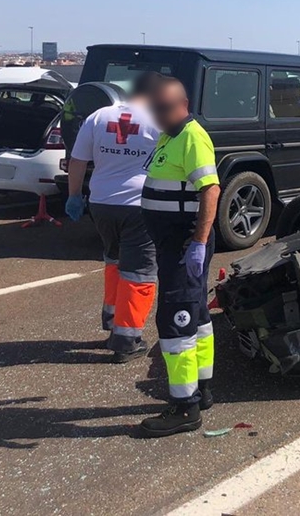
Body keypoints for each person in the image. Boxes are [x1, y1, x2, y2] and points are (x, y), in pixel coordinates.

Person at [138, 77, 220, 437]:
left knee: (176, 323)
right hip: (174, 244)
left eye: (167, 108)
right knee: (198, 316)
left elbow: (211, 189)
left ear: (183, 103)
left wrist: (198, 243)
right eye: (155, 109)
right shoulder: (169, 134)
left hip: (185, 246)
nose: (160, 115)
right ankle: (202, 390)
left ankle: (184, 407)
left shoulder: (191, 135)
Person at [66, 72, 163, 362]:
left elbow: (77, 160)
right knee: (140, 271)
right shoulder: (159, 120)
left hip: (101, 203)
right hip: (140, 205)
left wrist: (73, 196)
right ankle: (126, 339)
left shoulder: (98, 116)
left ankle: (112, 319)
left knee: (115, 261)